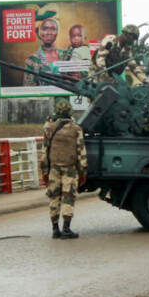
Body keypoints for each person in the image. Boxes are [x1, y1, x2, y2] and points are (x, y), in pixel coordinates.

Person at [41, 100, 88, 239]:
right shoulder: (76, 129)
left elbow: (44, 151)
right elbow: (81, 152)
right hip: (70, 169)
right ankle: (66, 229)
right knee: (68, 198)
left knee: (54, 197)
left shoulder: (49, 128)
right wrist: (83, 172)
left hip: (54, 168)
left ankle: (55, 229)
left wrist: (44, 171)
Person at [24, 15, 71, 86]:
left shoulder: (66, 55)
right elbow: (29, 89)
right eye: (45, 29)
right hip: (43, 97)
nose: (49, 32)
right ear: (40, 33)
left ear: (57, 32)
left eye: (53, 29)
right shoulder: (32, 60)